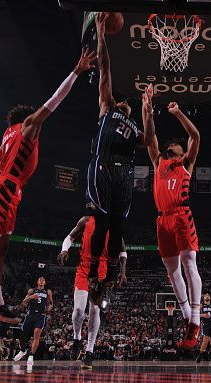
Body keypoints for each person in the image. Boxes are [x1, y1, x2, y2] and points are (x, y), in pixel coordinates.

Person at [0, 49, 97, 336]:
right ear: (28, 119)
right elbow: (54, 101)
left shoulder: (7, 138)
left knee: (0, 252)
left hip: (7, 190)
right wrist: (76, 71)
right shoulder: (28, 127)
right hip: (5, 187)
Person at [85, 13, 153, 304]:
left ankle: (108, 276)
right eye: (125, 100)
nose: (126, 101)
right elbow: (105, 67)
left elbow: (148, 141)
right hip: (102, 165)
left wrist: (148, 112)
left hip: (125, 173)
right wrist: (101, 35)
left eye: (130, 102)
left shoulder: (135, 126)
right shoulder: (107, 107)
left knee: (117, 227)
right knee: (101, 223)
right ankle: (91, 273)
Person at [143, 85, 202, 350]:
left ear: (180, 151)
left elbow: (195, 135)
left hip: (181, 215)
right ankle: (188, 317)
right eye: (170, 145)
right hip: (161, 220)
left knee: (189, 263)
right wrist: (147, 112)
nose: (171, 146)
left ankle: (196, 319)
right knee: (172, 269)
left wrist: (177, 112)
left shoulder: (186, 163)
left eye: (174, 145)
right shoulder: (158, 162)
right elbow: (150, 139)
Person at [57, 203, 127, 368]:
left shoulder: (113, 225)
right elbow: (70, 237)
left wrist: (123, 271)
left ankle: (89, 351)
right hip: (84, 269)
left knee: (95, 309)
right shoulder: (86, 220)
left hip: (102, 271)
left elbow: (123, 250)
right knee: (79, 311)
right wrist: (64, 249)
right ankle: (76, 338)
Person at [14, 276, 53, 367]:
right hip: (30, 314)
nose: (42, 280)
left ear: (45, 283)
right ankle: (23, 351)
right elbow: (23, 303)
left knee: (37, 333)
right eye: (40, 279)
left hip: (41, 315)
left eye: (43, 279)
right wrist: (31, 297)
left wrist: (50, 307)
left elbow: (51, 303)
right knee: (22, 335)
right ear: (37, 281)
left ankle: (31, 355)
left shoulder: (48, 291)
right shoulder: (32, 290)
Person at [196, 293, 211, 363]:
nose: (207, 296)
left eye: (208, 295)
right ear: (203, 298)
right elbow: (196, 315)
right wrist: (203, 315)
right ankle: (200, 356)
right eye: (206, 295)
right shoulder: (201, 306)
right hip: (205, 325)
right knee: (205, 341)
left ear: (210, 298)